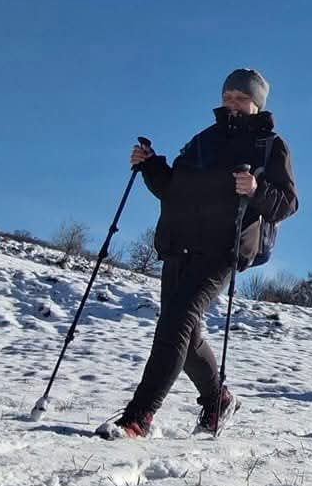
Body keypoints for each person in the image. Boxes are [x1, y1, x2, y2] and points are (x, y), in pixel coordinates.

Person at [98, 69, 298, 438]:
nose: (233, 103)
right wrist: (150, 164)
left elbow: (287, 203)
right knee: (184, 335)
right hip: (179, 244)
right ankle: (218, 400)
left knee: (176, 323)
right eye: (228, 96)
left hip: (222, 249)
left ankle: (138, 418)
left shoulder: (270, 145)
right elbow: (173, 189)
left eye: (242, 98)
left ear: (257, 104)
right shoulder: (203, 139)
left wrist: (256, 189)